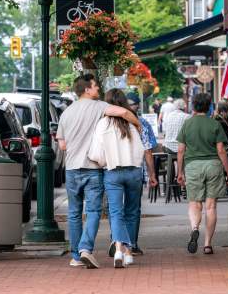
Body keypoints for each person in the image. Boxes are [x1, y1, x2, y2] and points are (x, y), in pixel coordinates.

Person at [56, 74, 140, 269]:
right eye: (95, 86)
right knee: (93, 211)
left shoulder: (66, 113)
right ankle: (86, 249)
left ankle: (76, 256)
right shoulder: (99, 106)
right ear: (87, 89)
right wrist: (138, 124)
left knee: (74, 213)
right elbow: (124, 113)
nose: (98, 90)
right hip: (93, 169)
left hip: (71, 169)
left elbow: (62, 146)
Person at [87, 89, 146, 268]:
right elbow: (141, 149)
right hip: (133, 171)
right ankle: (128, 250)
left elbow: (96, 154)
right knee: (132, 211)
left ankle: (119, 249)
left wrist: (107, 161)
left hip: (112, 172)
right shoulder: (132, 124)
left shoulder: (102, 124)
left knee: (116, 212)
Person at [176, 93, 228, 255]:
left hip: (193, 166)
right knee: (211, 206)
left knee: (194, 203)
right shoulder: (215, 124)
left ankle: (195, 227)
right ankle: (207, 244)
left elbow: (181, 150)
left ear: (193, 106)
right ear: (209, 106)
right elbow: (221, 150)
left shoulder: (187, 124)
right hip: (213, 166)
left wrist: (180, 172)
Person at [115, 91, 158, 257]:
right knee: (132, 209)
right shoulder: (142, 123)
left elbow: (148, 151)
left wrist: (151, 173)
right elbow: (148, 150)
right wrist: (151, 173)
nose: (134, 106)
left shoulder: (109, 122)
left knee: (118, 209)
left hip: (115, 170)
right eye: (131, 104)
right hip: (134, 170)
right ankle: (129, 244)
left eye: (134, 104)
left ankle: (118, 243)